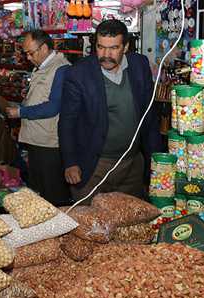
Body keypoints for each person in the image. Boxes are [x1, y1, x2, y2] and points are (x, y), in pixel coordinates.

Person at [59, 19, 163, 204]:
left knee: (129, 225)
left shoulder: (139, 65)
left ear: (126, 47)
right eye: (100, 47)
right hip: (94, 166)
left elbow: (149, 118)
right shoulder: (79, 74)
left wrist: (156, 163)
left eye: (114, 48)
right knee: (90, 225)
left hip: (132, 165)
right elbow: (67, 121)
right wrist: (70, 162)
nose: (106, 55)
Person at [5, 30, 71, 206]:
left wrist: (20, 113)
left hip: (50, 144)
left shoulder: (60, 69)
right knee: (38, 195)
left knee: (53, 198)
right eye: (25, 53)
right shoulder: (42, 68)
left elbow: (52, 107)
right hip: (37, 141)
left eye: (30, 53)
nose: (27, 57)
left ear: (44, 48)